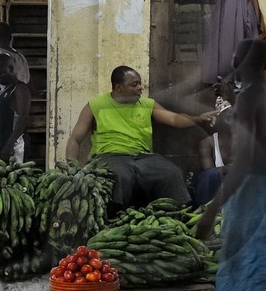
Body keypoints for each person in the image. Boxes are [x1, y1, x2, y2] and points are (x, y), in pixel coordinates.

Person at [200, 40, 266, 291]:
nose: (236, 66)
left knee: (253, 259)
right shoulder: (265, 93)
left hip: (254, 184)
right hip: (263, 183)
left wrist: (213, 207)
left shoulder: (253, 97)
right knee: (235, 252)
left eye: (241, 61)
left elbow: (246, 159)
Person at [64, 67, 215, 209]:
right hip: (110, 156)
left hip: (144, 157)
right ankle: (116, 217)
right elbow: (75, 140)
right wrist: (73, 170)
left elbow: (174, 119)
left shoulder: (147, 104)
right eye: (134, 85)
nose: (140, 88)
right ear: (118, 88)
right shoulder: (96, 105)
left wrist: (197, 119)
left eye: (140, 84)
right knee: (120, 175)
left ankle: (176, 216)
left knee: (171, 173)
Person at [0, 52, 30, 162]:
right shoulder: (1, 92)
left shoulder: (19, 89)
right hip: (1, 149)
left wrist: (9, 145)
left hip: (14, 150)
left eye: (1, 74)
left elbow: (23, 118)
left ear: (11, 69)